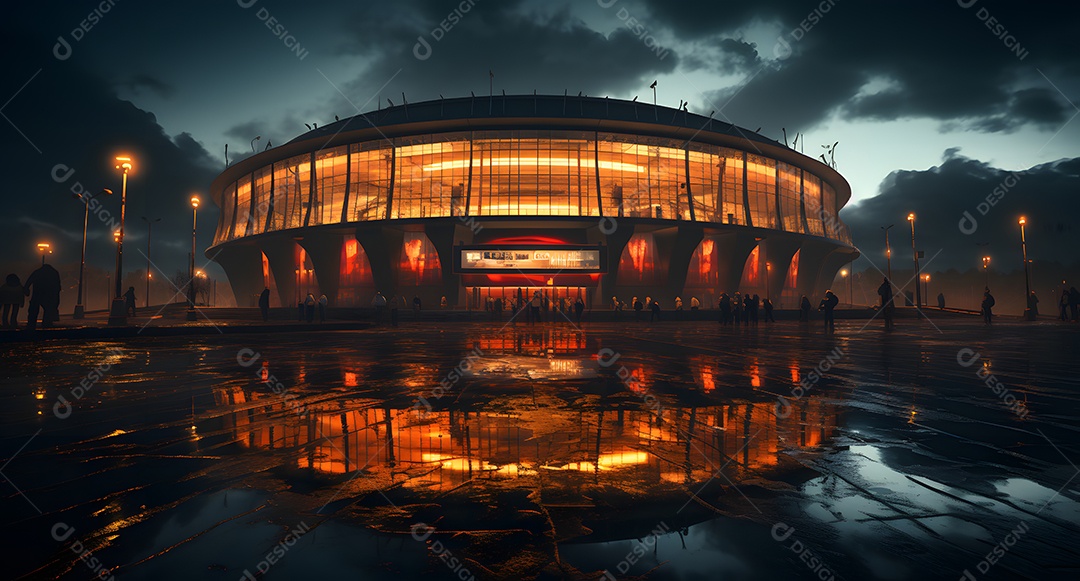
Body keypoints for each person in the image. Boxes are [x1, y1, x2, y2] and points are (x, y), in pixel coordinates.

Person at [24, 262, 61, 330]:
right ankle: (46, 323)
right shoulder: (54, 273)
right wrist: (56, 296)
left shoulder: (37, 272)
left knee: (33, 310)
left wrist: (26, 289)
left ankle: (31, 324)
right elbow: (57, 286)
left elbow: (29, 281)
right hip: (49, 294)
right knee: (48, 310)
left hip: (37, 293)